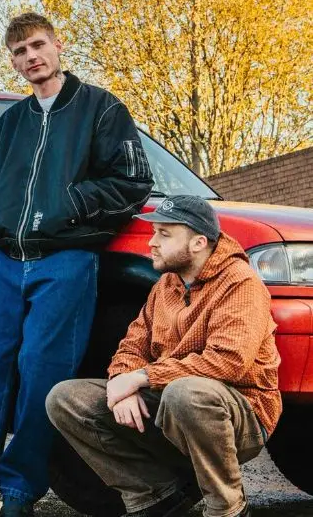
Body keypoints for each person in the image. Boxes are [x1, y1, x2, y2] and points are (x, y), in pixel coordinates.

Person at [0, 12, 154, 517]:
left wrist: (69, 206)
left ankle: (19, 491)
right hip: (6, 262)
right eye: (19, 52)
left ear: (58, 46)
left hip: (67, 260)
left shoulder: (101, 109)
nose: (31, 57)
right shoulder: (11, 123)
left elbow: (132, 180)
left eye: (38, 45)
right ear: (14, 62)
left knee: (43, 375)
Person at [47, 196, 280, 517]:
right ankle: (155, 497)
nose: (152, 243)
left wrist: (141, 378)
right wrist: (120, 383)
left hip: (242, 415)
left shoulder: (241, 283)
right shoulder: (166, 286)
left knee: (185, 393)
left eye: (164, 234)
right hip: (170, 404)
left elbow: (228, 361)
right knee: (65, 398)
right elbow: (133, 346)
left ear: (199, 242)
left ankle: (227, 505)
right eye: (154, 232)